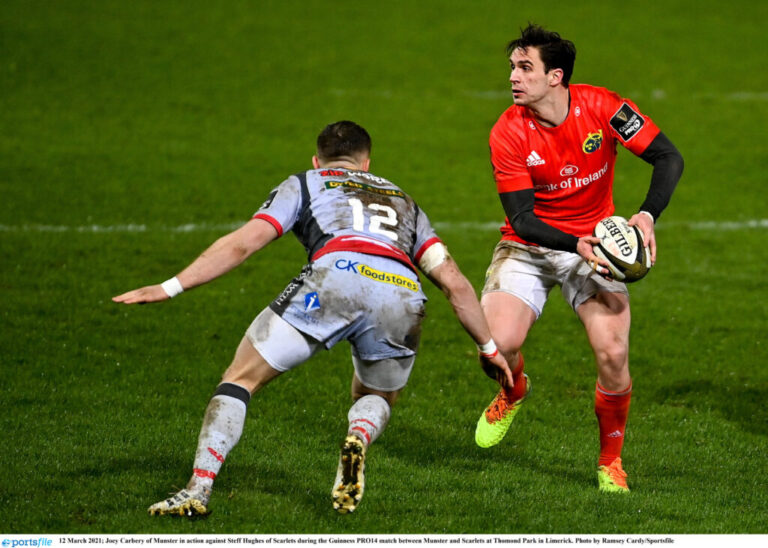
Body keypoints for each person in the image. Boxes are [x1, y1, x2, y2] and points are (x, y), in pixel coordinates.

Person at [113, 121, 511, 516]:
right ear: (367, 162)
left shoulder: (306, 182)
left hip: (335, 275)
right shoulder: (405, 202)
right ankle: (357, 436)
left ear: (318, 160)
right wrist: (489, 348)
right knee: (375, 395)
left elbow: (244, 243)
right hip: (401, 290)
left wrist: (171, 286)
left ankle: (198, 488)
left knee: (240, 379)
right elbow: (455, 282)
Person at [474, 24, 684, 493]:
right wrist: (579, 244)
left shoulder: (604, 107)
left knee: (613, 352)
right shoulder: (507, 133)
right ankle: (513, 389)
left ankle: (610, 461)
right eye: (512, 66)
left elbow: (669, 157)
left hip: (596, 243)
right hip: (530, 248)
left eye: (525, 67)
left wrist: (647, 216)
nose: (513, 76)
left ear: (556, 77)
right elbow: (523, 219)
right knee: (496, 348)